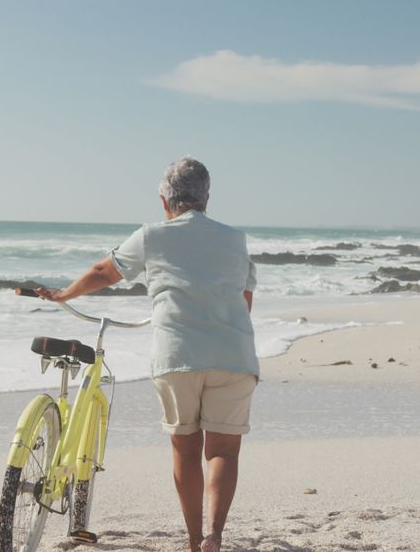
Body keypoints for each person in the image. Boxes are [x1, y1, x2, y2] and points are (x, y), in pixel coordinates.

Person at [35, 157, 257, 552]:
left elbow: (106, 271)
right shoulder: (235, 239)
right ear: (206, 198)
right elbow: (245, 299)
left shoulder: (153, 235)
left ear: (164, 201)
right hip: (232, 355)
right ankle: (215, 537)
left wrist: (63, 293)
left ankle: (192, 541)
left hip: (178, 355)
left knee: (186, 450)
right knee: (223, 451)